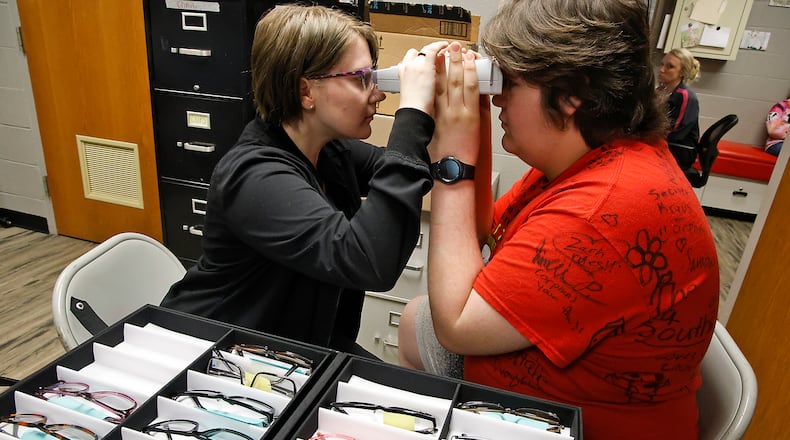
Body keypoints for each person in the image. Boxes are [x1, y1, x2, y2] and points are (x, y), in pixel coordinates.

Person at [398, 1, 719, 439]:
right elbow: (480, 234)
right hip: (545, 393)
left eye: (509, 82)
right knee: (414, 323)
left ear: (571, 94)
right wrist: (473, 122)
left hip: (573, 425)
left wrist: (452, 159)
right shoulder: (595, 157)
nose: (498, 95)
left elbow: (456, 326)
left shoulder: (603, 209)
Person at [160, 4, 448, 356]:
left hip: (292, 346)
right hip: (212, 349)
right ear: (306, 92)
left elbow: (407, 170)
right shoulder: (255, 177)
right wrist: (412, 112)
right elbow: (370, 260)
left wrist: (440, 104)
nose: (378, 93)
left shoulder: (329, 152)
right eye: (361, 79)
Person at [657, 48, 701, 170]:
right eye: (662, 64)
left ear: (682, 72)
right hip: (663, 143)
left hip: (679, 149)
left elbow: (675, 133)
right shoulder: (660, 91)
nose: (661, 70)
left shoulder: (685, 96)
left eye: (669, 66)